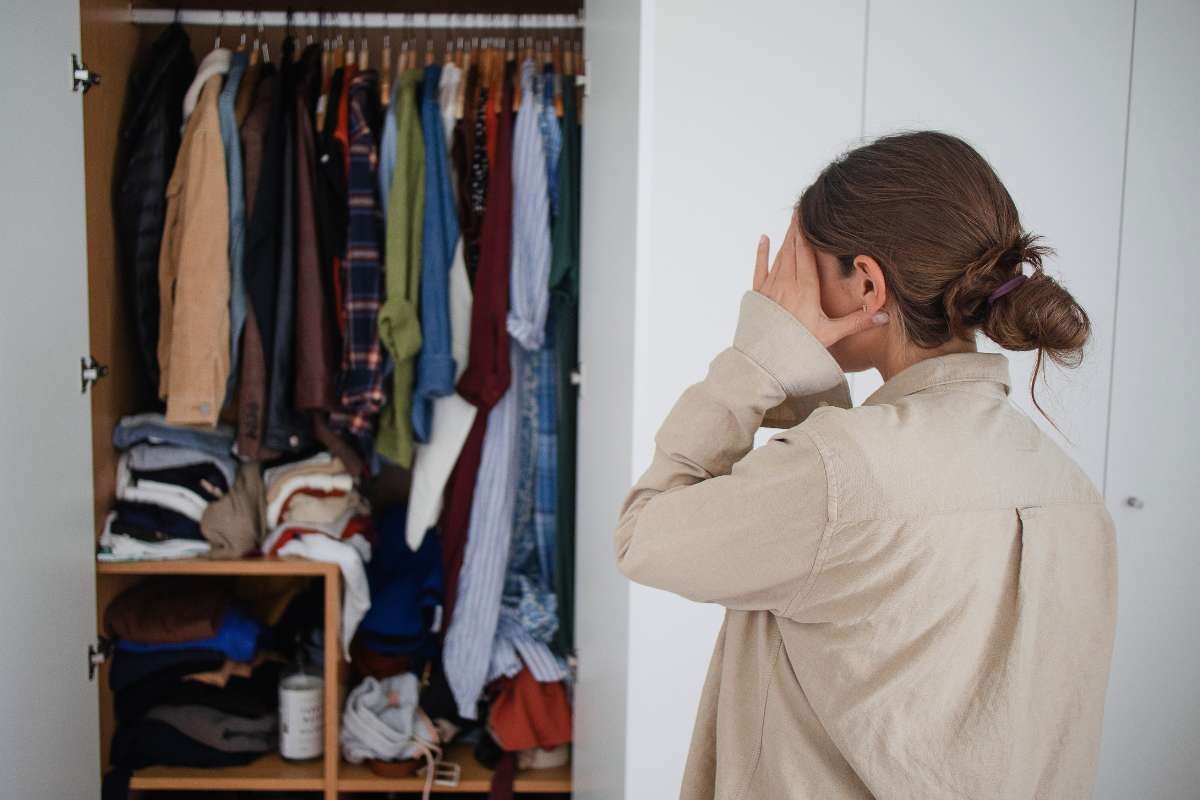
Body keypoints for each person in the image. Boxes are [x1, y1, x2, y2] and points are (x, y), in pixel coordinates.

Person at [615, 131, 1117, 799]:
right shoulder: (1073, 492)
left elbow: (643, 536)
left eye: (802, 268)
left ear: (869, 284)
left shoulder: (836, 476)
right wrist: (810, 383)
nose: (784, 290)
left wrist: (756, 363)